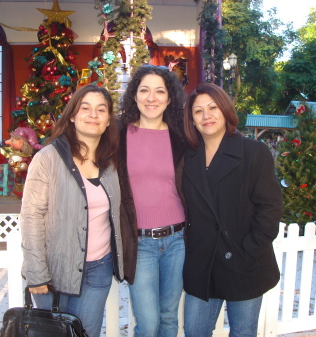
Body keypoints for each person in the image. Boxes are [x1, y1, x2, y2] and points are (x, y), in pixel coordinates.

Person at [19, 84, 124, 337]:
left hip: (98, 268)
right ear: (73, 115)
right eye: (85, 108)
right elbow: (31, 217)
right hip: (55, 269)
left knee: (86, 333)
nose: (93, 115)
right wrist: (36, 273)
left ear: (109, 120)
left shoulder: (111, 162)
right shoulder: (48, 158)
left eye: (101, 110)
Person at [182, 83, 283, 337]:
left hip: (244, 262)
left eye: (213, 107)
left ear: (225, 110)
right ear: (191, 120)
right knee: (195, 331)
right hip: (202, 265)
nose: (207, 116)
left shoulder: (253, 152)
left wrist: (248, 251)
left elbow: (270, 208)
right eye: (198, 111)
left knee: (243, 332)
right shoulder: (187, 158)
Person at [118, 65, 187, 337]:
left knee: (169, 318)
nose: (152, 98)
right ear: (134, 95)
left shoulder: (181, 137)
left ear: (169, 98)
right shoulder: (118, 136)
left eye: (160, 91)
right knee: (148, 324)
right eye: (144, 90)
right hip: (141, 243)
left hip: (177, 241)